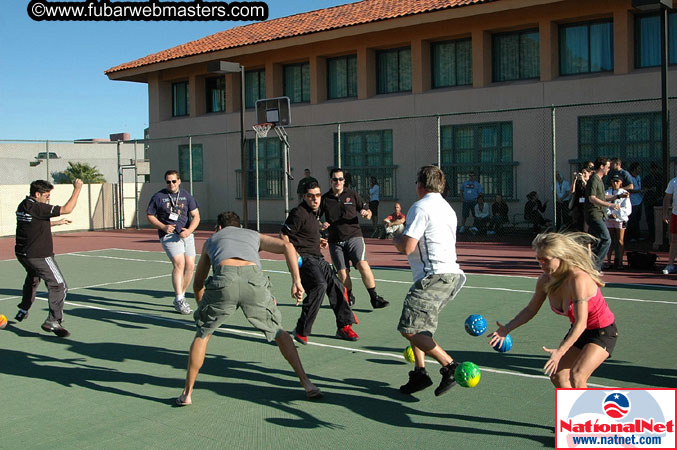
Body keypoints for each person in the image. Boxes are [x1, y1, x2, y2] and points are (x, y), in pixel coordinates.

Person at [176, 211, 322, 406]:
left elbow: (198, 282)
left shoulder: (212, 240)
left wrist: (202, 308)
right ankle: (307, 383)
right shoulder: (252, 235)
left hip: (224, 280)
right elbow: (288, 246)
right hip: (253, 280)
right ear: (240, 226)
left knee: (202, 335)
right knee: (279, 332)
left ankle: (187, 393)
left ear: (219, 227)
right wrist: (296, 280)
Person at [488, 233, 618, 388]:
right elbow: (530, 309)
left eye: (546, 260)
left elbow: (581, 323)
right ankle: (573, 410)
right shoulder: (545, 280)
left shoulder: (578, 280)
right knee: (558, 377)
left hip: (602, 332)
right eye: (538, 259)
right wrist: (506, 329)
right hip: (580, 332)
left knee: (577, 376)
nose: (541, 264)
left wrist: (560, 351)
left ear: (561, 257)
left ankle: (588, 411)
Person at [393, 165, 466, 396]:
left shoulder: (420, 207)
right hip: (451, 276)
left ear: (420, 185)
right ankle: (420, 373)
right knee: (420, 325)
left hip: (433, 276)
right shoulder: (448, 209)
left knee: (409, 328)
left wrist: (395, 235)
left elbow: (407, 247)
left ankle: (449, 366)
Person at [280, 182, 359, 345]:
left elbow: (306, 234)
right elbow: (284, 236)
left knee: (337, 286)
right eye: (310, 196)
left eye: (317, 195)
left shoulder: (314, 213)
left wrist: (318, 241)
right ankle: (301, 330)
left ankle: (343, 327)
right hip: (305, 258)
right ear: (304, 197)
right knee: (319, 286)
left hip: (317, 257)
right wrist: (294, 258)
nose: (315, 199)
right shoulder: (298, 213)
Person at [14, 178, 84, 337]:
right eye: (46, 195)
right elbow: (67, 209)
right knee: (59, 285)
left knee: (33, 278)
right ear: (37, 194)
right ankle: (53, 320)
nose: (48, 199)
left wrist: (58, 223)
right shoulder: (39, 207)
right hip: (39, 255)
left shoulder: (24, 205)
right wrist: (77, 189)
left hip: (23, 254)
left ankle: (23, 309)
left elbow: (36, 223)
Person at [320, 168, 389, 309]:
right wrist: (321, 225)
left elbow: (368, 212)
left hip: (354, 237)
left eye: (340, 179)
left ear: (344, 181)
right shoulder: (325, 199)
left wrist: (366, 214)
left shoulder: (352, 195)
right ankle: (349, 296)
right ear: (330, 181)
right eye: (335, 179)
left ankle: (374, 298)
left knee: (362, 264)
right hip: (335, 241)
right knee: (342, 272)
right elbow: (316, 218)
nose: (338, 182)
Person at [146, 170, 201, 315]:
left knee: (190, 266)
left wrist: (189, 231)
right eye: (168, 181)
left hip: (186, 235)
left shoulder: (186, 196)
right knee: (179, 263)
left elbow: (196, 217)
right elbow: (150, 215)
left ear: (179, 181)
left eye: (173, 181)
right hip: (169, 236)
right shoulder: (158, 197)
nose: (171, 184)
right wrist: (163, 226)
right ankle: (179, 299)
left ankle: (180, 297)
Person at [585, 157, 627, 271]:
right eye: (608, 167)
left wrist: (617, 196)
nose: (609, 169)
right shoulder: (594, 179)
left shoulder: (600, 180)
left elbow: (603, 197)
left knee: (597, 241)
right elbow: (592, 198)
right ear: (602, 167)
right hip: (595, 214)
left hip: (601, 214)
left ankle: (590, 265)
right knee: (606, 239)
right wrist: (610, 205)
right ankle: (595, 267)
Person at [604, 175, 631, 269]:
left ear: (621, 183)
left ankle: (620, 262)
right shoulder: (607, 192)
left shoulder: (625, 193)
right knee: (609, 240)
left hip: (620, 220)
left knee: (620, 241)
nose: (615, 183)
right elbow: (604, 205)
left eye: (617, 181)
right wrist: (609, 214)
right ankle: (608, 261)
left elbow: (627, 209)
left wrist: (617, 214)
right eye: (613, 181)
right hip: (609, 220)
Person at [642, 162, 663, 244]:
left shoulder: (660, 177)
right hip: (649, 200)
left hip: (658, 199)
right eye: (652, 168)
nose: (653, 170)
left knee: (659, 219)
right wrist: (650, 189)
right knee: (650, 218)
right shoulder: (647, 178)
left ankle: (659, 235)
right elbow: (644, 188)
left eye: (655, 168)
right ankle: (651, 235)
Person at [569, 163, 593, 232]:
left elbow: (589, 190)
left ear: (589, 174)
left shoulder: (590, 182)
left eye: (585, 173)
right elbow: (572, 191)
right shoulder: (579, 183)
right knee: (578, 224)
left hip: (587, 206)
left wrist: (583, 180)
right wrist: (574, 180)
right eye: (582, 173)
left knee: (586, 226)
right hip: (579, 205)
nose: (583, 175)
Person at [662, 176, 677, 275]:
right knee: (674, 240)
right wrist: (665, 213)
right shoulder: (674, 181)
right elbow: (667, 198)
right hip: (676, 214)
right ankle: (670, 264)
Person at [625, 162, 643, 242]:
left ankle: (637, 235)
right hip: (632, 201)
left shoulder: (638, 177)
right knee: (632, 219)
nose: (639, 170)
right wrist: (639, 191)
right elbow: (630, 190)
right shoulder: (629, 178)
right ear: (634, 169)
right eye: (638, 168)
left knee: (637, 219)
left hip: (639, 200)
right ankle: (630, 236)